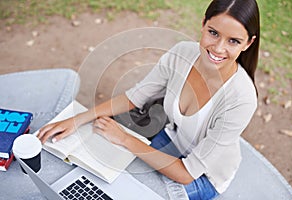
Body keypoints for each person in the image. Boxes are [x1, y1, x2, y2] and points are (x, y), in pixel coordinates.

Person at [38, 0, 260, 199]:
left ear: (248, 44)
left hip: (203, 176)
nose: (219, 48)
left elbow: (186, 173)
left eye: (233, 41)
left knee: (129, 191)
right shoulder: (182, 54)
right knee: (106, 175)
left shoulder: (242, 98)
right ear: (203, 24)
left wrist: (124, 138)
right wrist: (78, 119)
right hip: (172, 140)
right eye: (213, 33)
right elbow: (134, 97)